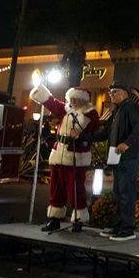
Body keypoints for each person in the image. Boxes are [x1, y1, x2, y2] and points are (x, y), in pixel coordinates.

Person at [72, 80, 139, 241]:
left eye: (115, 92)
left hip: (129, 157)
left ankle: (127, 230)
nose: (111, 95)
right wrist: (82, 136)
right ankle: (119, 227)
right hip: (118, 157)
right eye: (110, 92)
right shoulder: (117, 111)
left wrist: (127, 143)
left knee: (126, 193)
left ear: (125, 93)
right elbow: (105, 134)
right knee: (118, 193)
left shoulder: (130, 107)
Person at [29, 85, 101, 231]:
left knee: (75, 189)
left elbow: (86, 125)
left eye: (76, 99)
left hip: (76, 155)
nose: (72, 101)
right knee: (56, 188)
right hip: (59, 153)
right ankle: (55, 219)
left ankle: (78, 220)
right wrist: (40, 91)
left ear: (83, 100)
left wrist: (72, 112)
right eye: (71, 98)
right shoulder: (67, 109)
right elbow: (53, 103)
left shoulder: (90, 112)